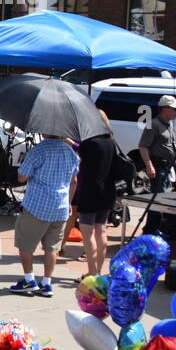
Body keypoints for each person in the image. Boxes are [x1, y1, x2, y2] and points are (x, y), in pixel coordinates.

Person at [11, 135, 78, 297]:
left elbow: (22, 177)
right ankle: (47, 283)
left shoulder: (38, 150)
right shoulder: (71, 153)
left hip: (37, 204)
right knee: (52, 248)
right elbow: (74, 181)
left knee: (25, 244)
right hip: (60, 207)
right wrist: (68, 203)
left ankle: (29, 279)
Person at [77, 109, 119, 277]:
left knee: (87, 233)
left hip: (90, 190)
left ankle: (92, 273)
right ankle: (99, 271)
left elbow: (79, 158)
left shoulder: (90, 143)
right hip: (108, 190)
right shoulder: (111, 142)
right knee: (101, 230)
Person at [139, 94, 176, 236]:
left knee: (161, 200)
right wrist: (149, 165)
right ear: (165, 109)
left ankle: (155, 228)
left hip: (167, 167)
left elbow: (171, 143)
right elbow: (143, 146)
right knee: (157, 200)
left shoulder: (168, 124)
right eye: (174, 109)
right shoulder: (153, 124)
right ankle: (150, 230)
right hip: (158, 167)